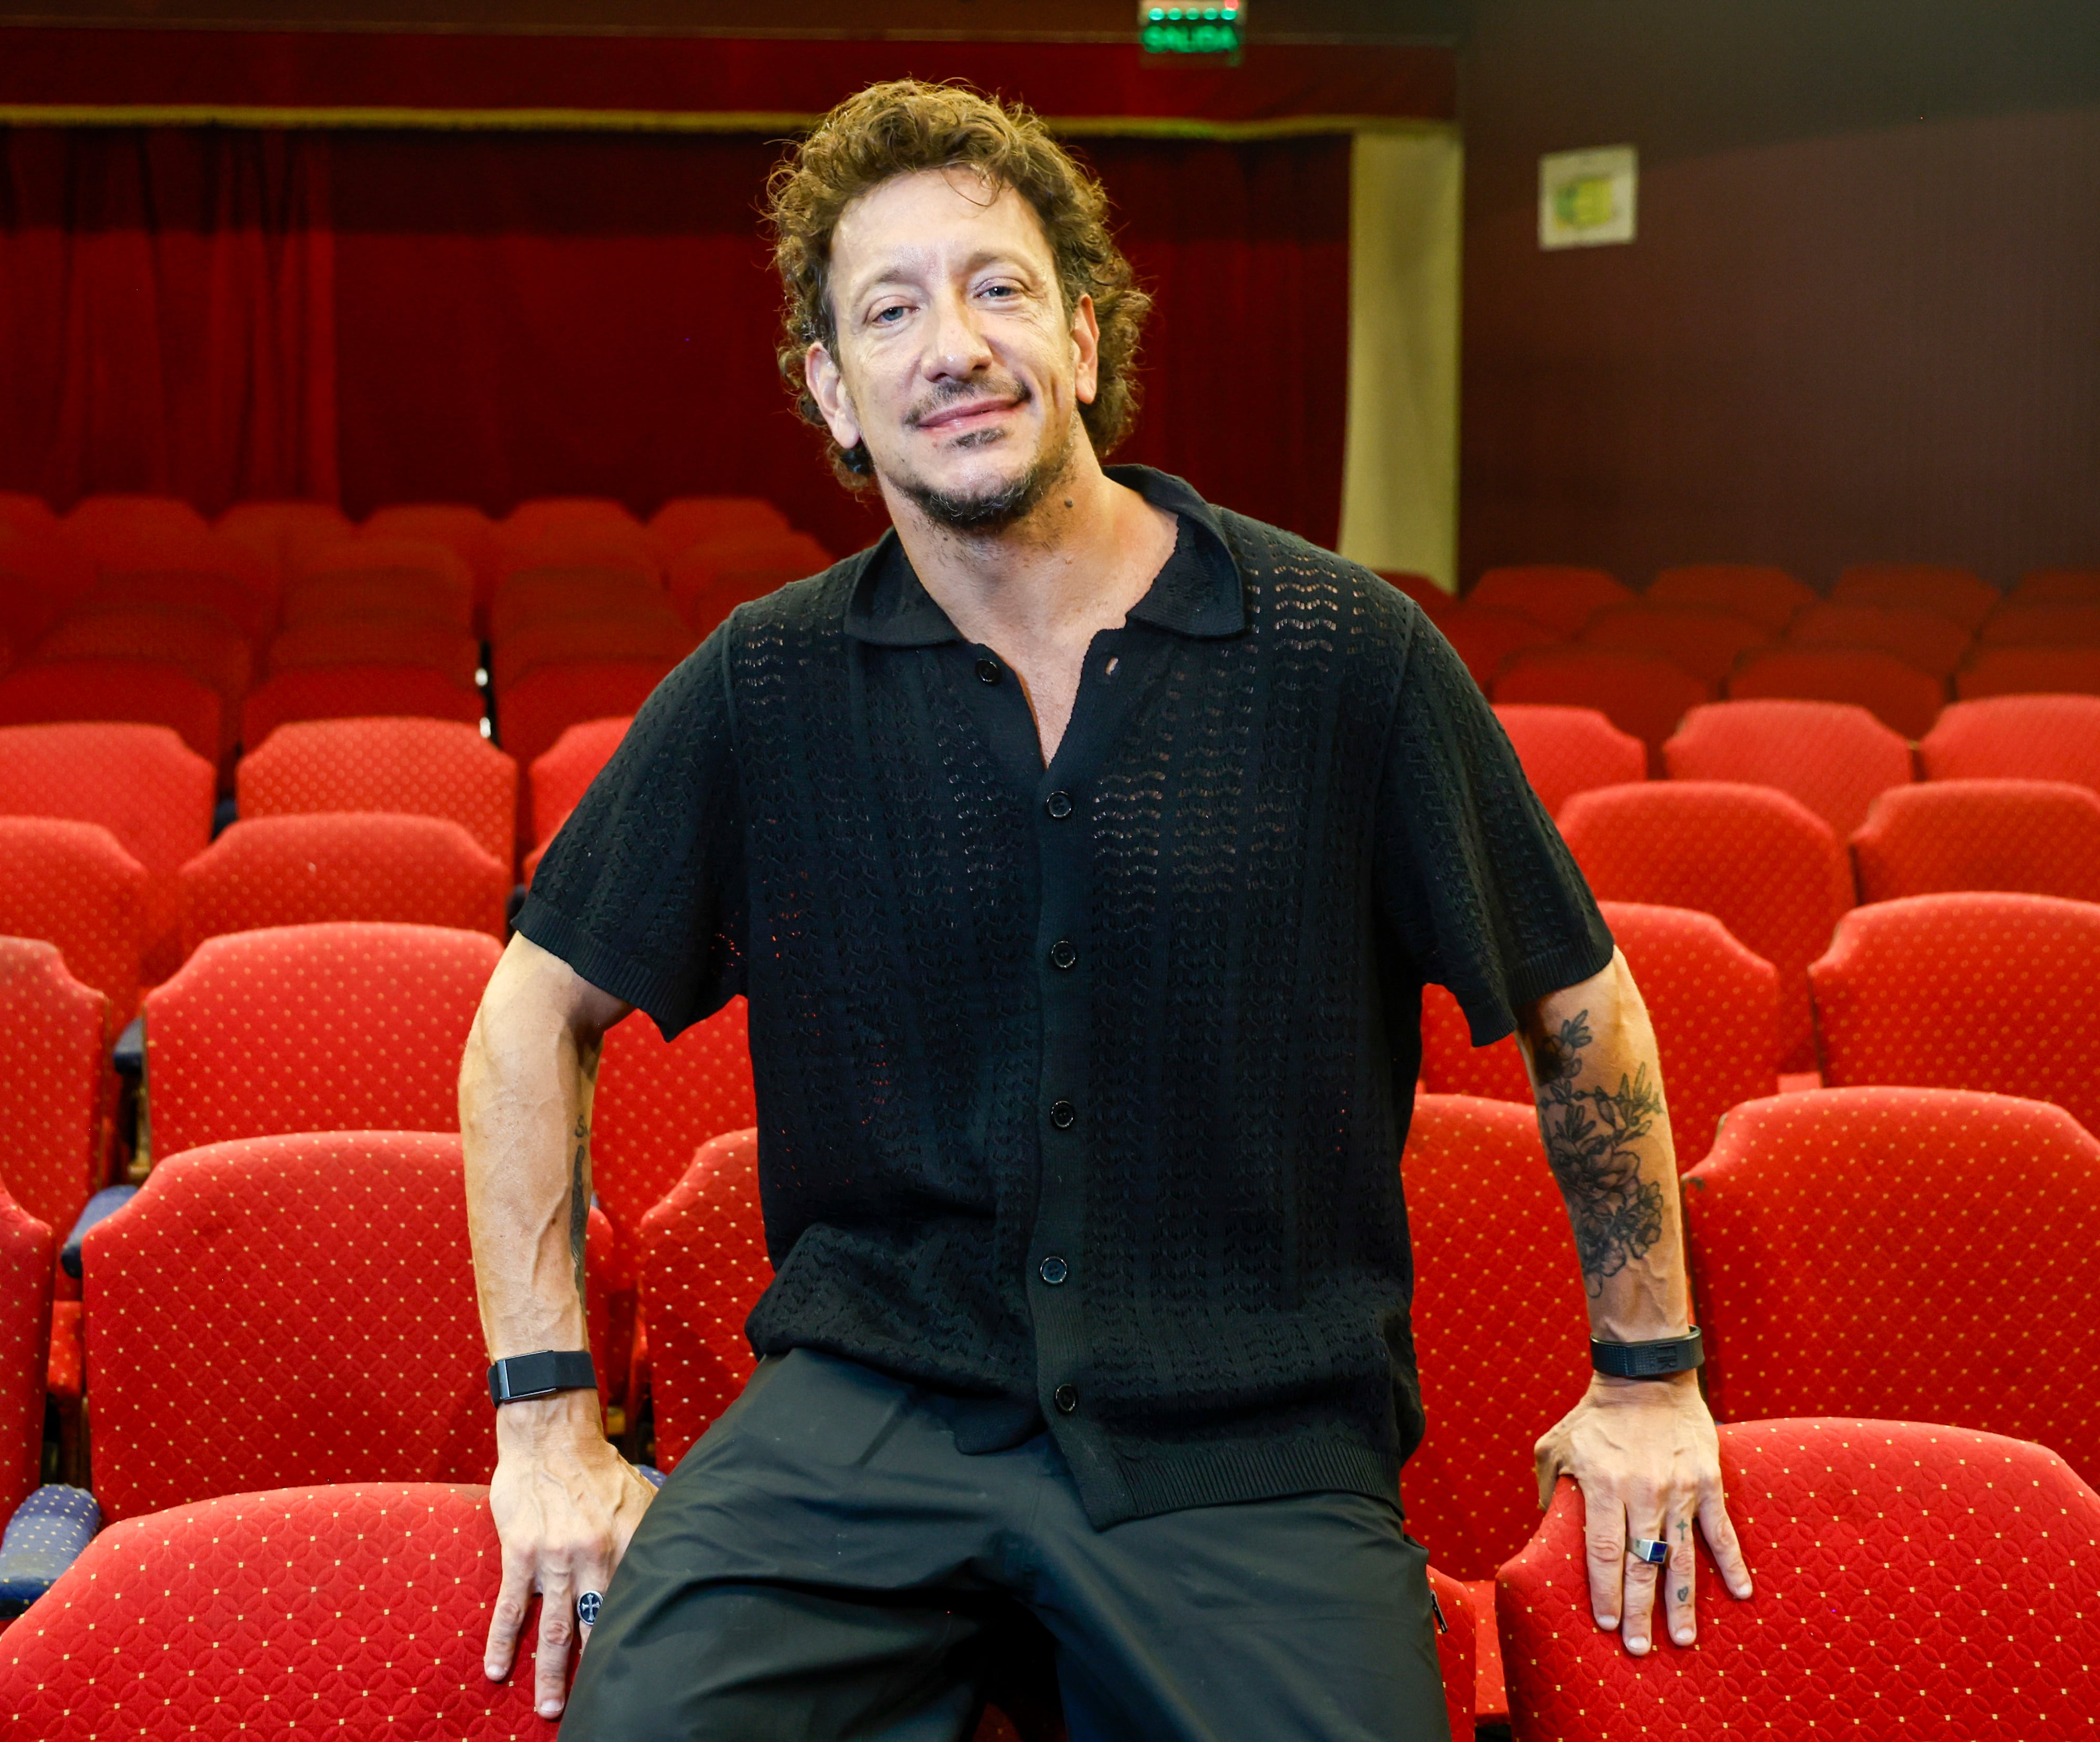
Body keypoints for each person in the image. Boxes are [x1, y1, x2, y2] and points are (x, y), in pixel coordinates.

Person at [459, 77, 1751, 1740]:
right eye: (890, 310)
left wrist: (1648, 1375)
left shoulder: (1344, 652)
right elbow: (527, 1014)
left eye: (996, 288)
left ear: (1081, 337)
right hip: (865, 1420)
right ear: (833, 390)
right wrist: (546, 1422)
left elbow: (1582, 1009)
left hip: (1249, 1446)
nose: (953, 345)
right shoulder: (767, 681)